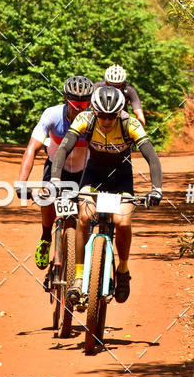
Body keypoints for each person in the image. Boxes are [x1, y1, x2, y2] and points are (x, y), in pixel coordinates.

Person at [50, 84, 162, 305]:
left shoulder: (130, 124)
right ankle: (79, 276)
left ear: (119, 112)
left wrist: (156, 188)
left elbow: (152, 157)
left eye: (111, 116)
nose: (107, 120)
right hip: (93, 176)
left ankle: (122, 269)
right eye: (102, 115)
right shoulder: (85, 119)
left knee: (122, 223)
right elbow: (63, 149)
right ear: (95, 111)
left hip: (121, 178)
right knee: (83, 217)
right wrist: (55, 179)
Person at [17, 75, 94, 269]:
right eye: (75, 103)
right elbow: (31, 149)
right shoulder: (51, 115)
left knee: (88, 212)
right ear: (65, 100)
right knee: (47, 198)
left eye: (84, 105)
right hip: (55, 167)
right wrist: (21, 182)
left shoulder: (94, 120)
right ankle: (45, 237)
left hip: (84, 171)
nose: (78, 109)